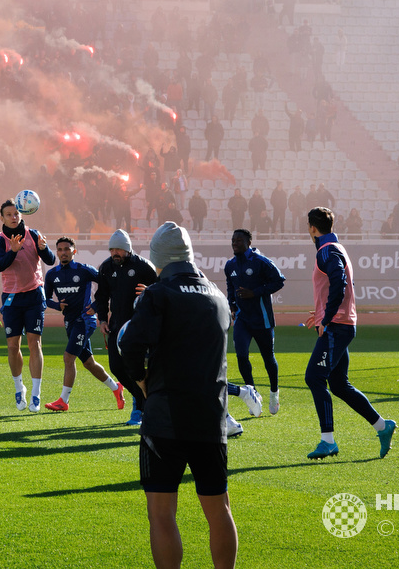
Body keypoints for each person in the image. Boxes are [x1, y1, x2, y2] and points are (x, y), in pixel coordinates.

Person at [118, 222, 238, 569]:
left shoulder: (158, 293)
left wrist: (141, 384)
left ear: (157, 257)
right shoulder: (217, 294)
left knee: (161, 514)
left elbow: (130, 345)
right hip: (210, 418)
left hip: (165, 418)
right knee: (219, 511)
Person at [304, 208, 396, 460]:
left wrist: (328, 316)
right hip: (340, 323)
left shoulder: (327, 251)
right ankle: (382, 426)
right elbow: (340, 284)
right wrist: (321, 313)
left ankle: (328, 441)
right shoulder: (336, 247)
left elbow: (340, 282)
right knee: (339, 385)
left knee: (314, 377)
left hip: (337, 326)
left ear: (312, 227)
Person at [42, 236, 125, 413]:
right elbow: (45, 299)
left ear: (74, 251)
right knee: (89, 363)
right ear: (57, 252)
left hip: (85, 321)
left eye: (67, 249)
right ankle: (116, 388)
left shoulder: (84, 270)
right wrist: (58, 306)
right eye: (60, 249)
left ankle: (63, 401)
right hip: (70, 322)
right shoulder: (52, 274)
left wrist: (95, 307)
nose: (63, 252)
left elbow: (106, 287)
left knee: (68, 357)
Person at [0, 198, 55, 412]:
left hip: (34, 296)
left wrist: (44, 249)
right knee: (13, 346)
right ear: (2, 218)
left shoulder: (34, 234)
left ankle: (36, 394)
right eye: (8, 214)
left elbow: (50, 260)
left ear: (22, 215)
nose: (13, 217)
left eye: (16, 214)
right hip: (11, 298)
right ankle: (19, 388)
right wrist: (13, 250)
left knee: (34, 343)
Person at [223, 229, 284, 416]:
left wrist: (255, 292)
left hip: (262, 319)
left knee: (268, 358)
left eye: (239, 240)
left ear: (249, 241)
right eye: (233, 240)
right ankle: (253, 393)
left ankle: (274, 393)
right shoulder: (230, 265)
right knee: (241, 356)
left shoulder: (261, 262)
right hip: (242, 319)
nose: (235, 243)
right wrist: (232, 305)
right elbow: (230, 287)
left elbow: (279, 281)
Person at [101, 229, 157, 425]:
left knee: (138, 367)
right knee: (116, 366)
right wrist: (102, 319)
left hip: (139, 327)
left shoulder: (144, 267)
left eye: (119, 249)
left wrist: (150, 290)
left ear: (128, 249)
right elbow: (101, 295)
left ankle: (140, 408)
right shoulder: (107, 267)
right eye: (112, 249)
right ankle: (141, 397)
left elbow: (162, 290)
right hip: (116, 326)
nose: (115, 253)